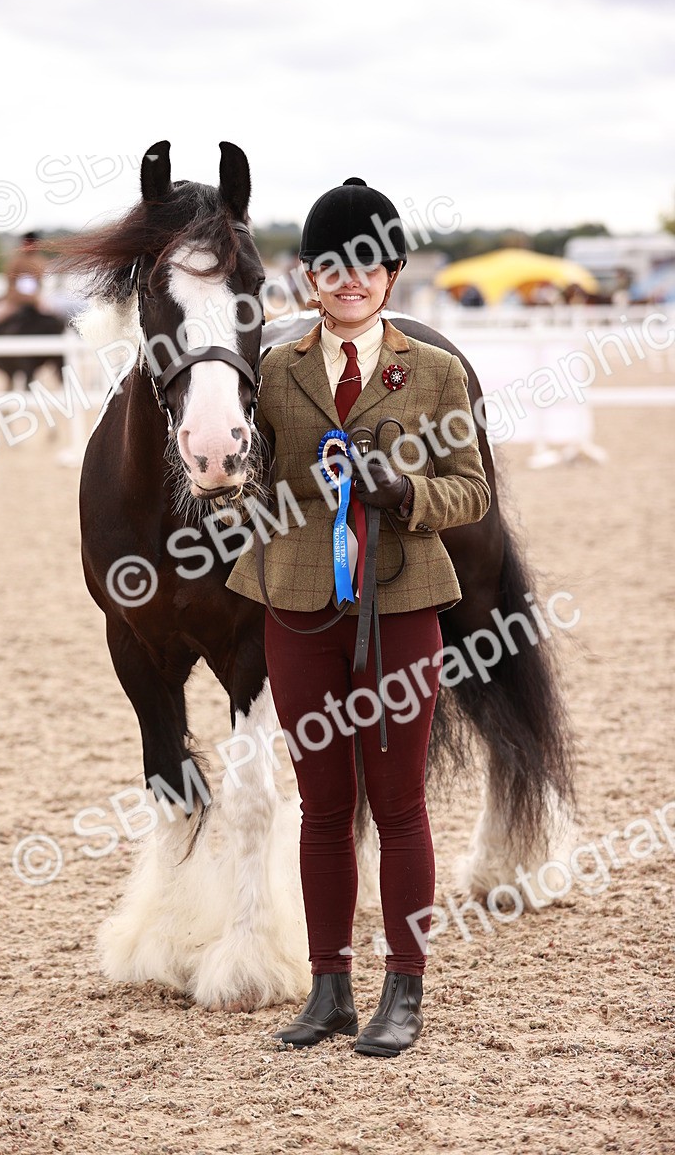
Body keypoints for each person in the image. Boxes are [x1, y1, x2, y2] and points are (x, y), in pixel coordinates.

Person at [226, 177, 491, 1057]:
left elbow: (471, 491)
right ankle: (329, 987)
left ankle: (403, 989)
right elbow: (247, 487)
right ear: (308, 276)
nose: (351, 280)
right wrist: (276, 487)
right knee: (321, 804)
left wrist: (403, 490)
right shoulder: (271, 370)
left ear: (392, 273)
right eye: (333, 266)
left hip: (402, 602)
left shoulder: (437, 372)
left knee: (401, 802)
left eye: (368, 265)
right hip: (298, 603)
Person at [0, 231, 48, 327]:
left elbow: (39, 282)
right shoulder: (15, 261)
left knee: (53, 314)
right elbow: (9, 281)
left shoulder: (40, 261)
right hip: (15, 298)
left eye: (31, 243)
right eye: (27, 243)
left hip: (35, 299)